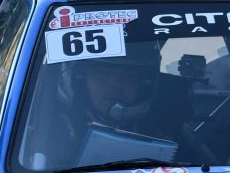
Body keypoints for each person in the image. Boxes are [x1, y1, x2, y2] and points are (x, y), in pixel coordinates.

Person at [47, 40, 190, 166]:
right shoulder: (47, 129)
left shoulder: (164, 129)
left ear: (144, 86)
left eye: (129, 76)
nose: (117, 84)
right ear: (80, 82)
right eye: (102, 74)